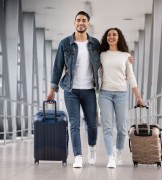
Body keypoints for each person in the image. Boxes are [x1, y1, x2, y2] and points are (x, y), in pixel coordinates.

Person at [46, 11, 100, 168]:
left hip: (89, 90)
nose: (81, 23)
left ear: (88, 23)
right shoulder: (65, 43)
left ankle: (92, 148)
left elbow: (106, 59)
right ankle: (78, 156)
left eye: (84, 20)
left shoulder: (95, 44)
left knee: (91, 123)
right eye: (78, 20)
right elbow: (58, 68)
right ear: (74, 23)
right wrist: (52, 90)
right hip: (71, 90)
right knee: (74, 123)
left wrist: (126, 58)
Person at [98, 28, 144, 168]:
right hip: (105, 93)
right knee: (107, 127)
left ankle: (118, 151)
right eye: (109, 35)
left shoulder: (125, 56)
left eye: (114, 35)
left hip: (121, 94)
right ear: (106, 38)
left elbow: (130, 76)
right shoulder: (101, 55)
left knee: (122, 128)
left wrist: (139, 97)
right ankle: (110, 157)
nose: (111, 37)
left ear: (119, 38)